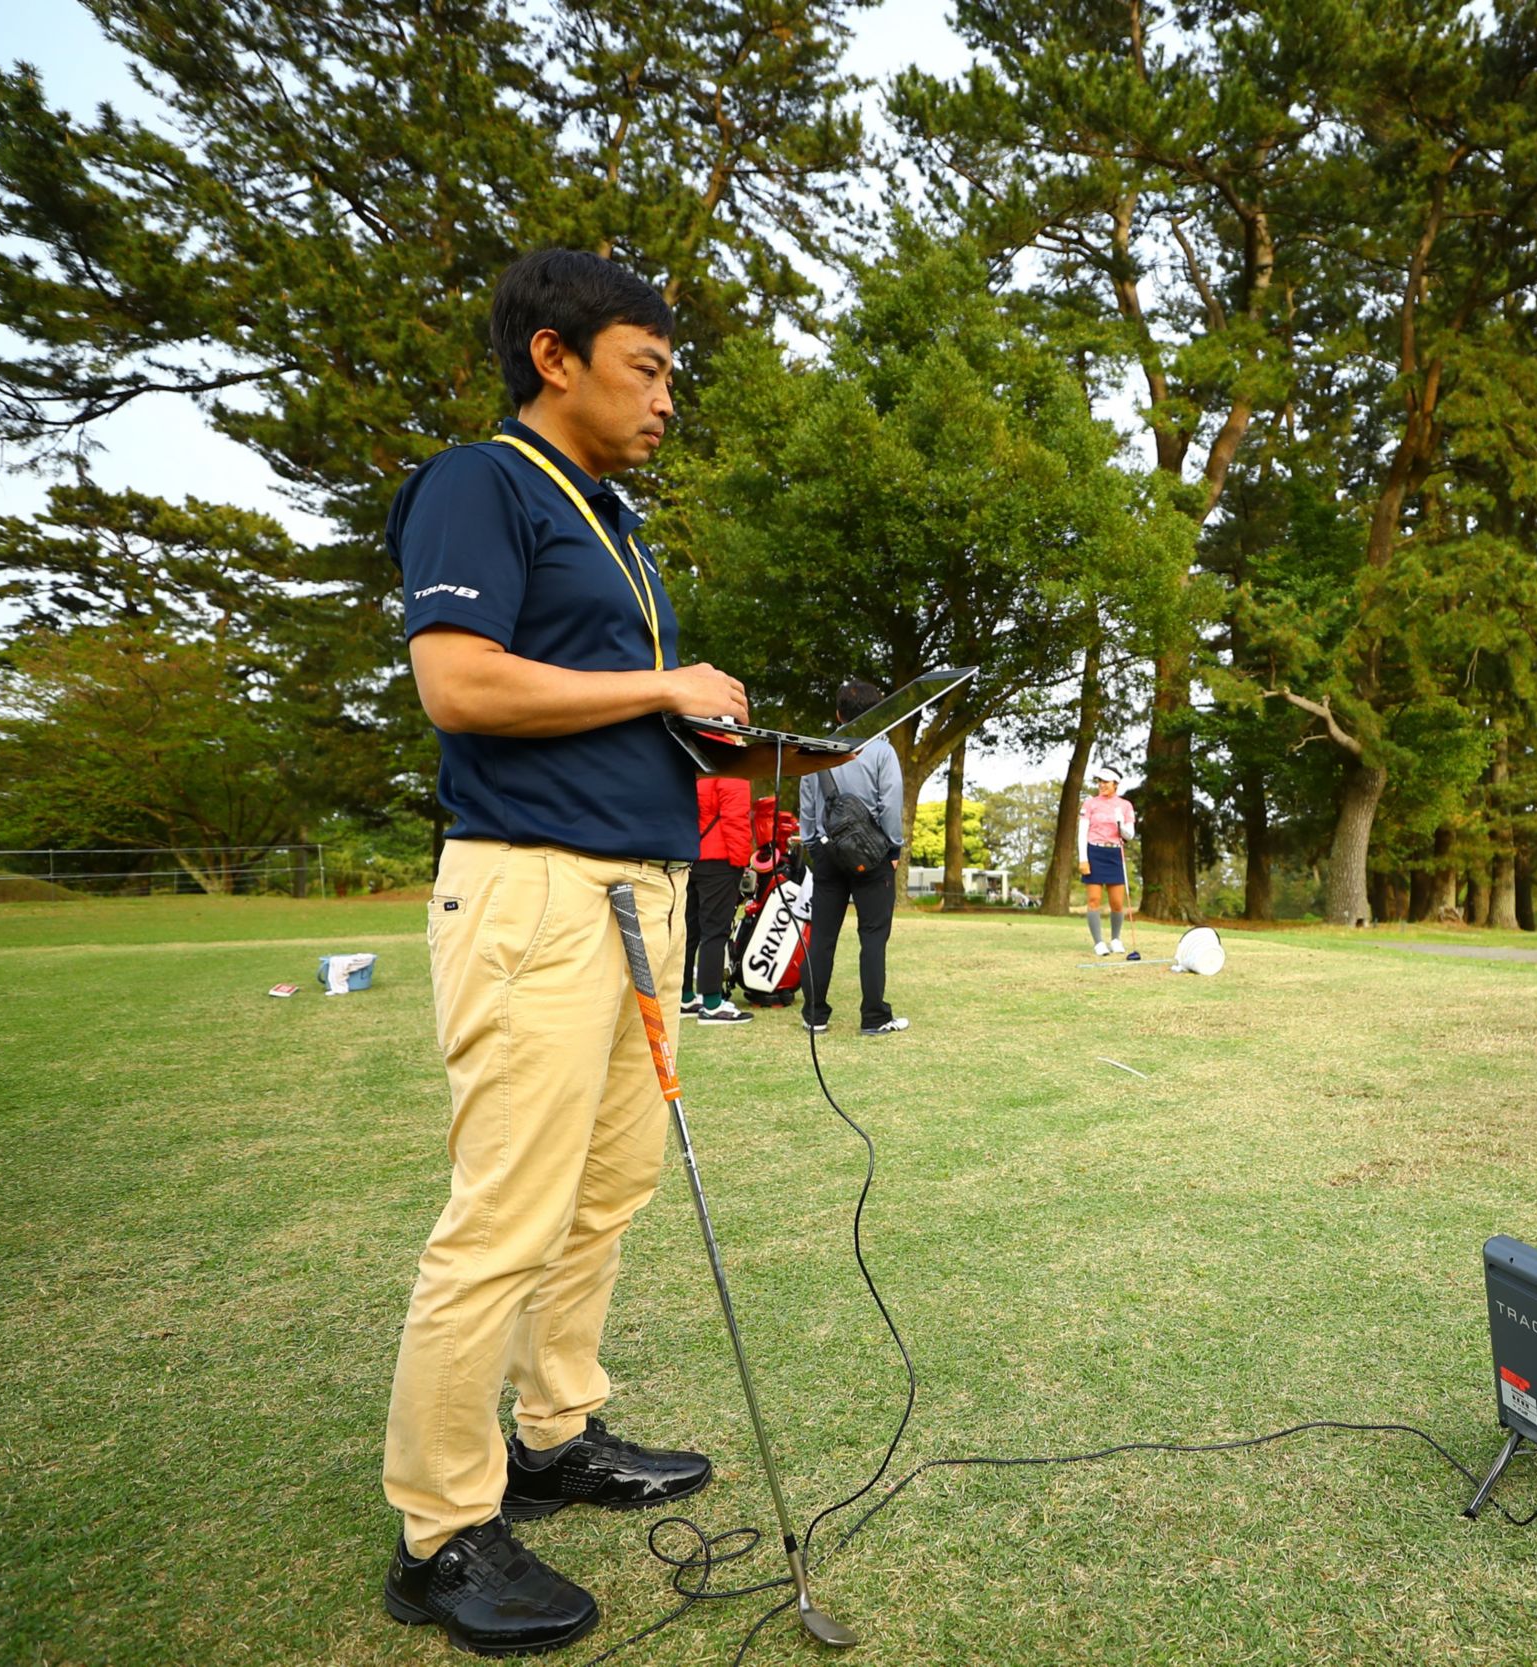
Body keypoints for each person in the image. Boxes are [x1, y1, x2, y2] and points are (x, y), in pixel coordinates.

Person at [378, 248, 844, 1656]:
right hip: (529, 893)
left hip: (639, 896)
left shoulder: (618, 520)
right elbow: (458, 682)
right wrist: (661, 680)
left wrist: (722, 736)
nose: (667, 397)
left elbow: (600, 701)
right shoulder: (483, 481)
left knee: (607, 1191)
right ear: (555, 359)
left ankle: (555, 1430)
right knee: (505, 1213)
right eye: (647, 367)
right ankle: (442, 1527)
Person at [797, 681, 911, 1036]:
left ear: (838, 713)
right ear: (876, 712)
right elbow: (890, 803)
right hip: (872, 855)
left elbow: (806, 804)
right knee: (873, 936)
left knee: (823, 937)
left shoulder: (817, 750)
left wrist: (812, 844)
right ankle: (874, 1017)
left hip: (828, 854)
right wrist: (893, 848)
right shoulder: (881, 751)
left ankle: (815, 1014)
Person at [680, 774, 757, 1024]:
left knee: (689, 932)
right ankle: (712, 1003)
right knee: (715, 932)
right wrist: (741, 862)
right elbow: (736, 822)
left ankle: (684, 996)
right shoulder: (733, 774)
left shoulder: (692, 772)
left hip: (691, 857)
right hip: (720, 861)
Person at [1078, 765, 1137, 956]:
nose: (1101, 785)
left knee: (1117, 903)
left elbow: (1129, 836)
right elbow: (1082, 833)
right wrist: (1083, 859)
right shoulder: (1090, 804)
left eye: (1105, 782)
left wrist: (1121, 824)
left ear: (1115, 784)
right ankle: (1098, 943)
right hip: (1094, 851)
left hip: (1114, 854)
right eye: (1099, 781)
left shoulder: (1126, 806)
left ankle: (1115, 939)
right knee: (1094, 900)